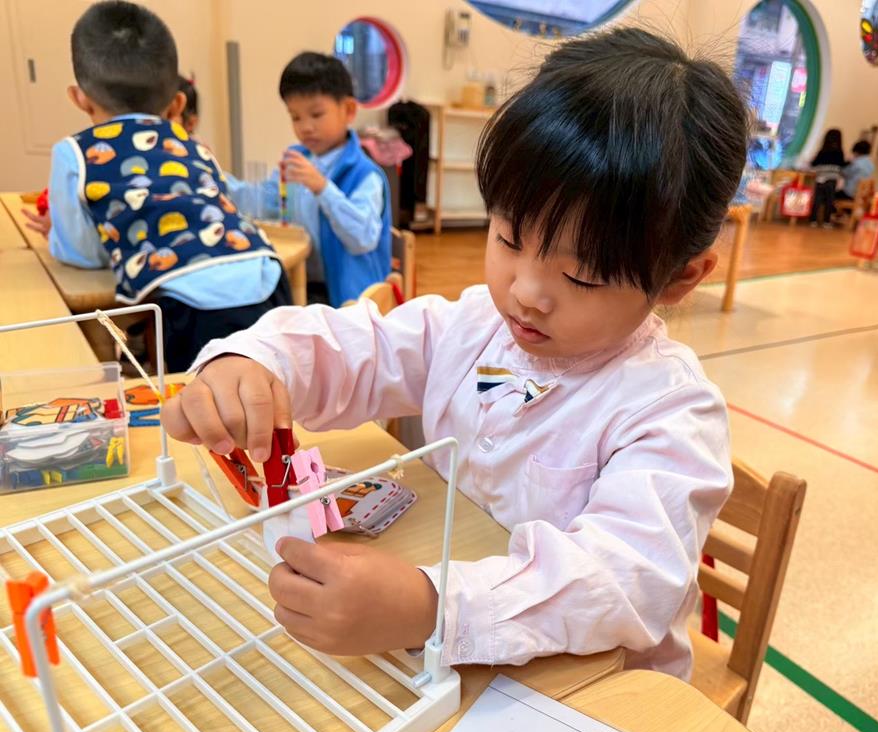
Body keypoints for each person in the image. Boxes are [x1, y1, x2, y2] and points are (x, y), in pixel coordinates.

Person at [164, 27, 748, 679]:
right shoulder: (475, 325)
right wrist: (253, 360)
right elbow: (366, 347)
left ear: (679, 278)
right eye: (509, 238)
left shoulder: (670, 413)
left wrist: (433, 605)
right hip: (459, 642)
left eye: (581, 276)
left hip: (592, 689)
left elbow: (621, 582)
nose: (525, 293)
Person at [25, 1, 289, 373]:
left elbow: (82, 252)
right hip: (266, 274)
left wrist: (57, 233)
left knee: (204, 401)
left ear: (79, 97)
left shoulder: (75, 153)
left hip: (191, 300)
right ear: (176, 102)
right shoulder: (192, 144)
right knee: (276, 385)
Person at [228, 52, 391, 307]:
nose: (305, 126)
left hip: (348, 299)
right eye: (295, 117)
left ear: (348, 110)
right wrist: (214, 177)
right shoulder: (296, 159)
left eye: (316, 114)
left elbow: (362, 239)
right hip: (301, 282)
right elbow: (263, 200)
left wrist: (323, 188)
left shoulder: (365, 175)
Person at [808, 128, 846, 227]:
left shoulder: (822, 151)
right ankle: (826, 221)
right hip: (832, 180)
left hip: (820, 179)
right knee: (829, 201)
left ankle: (813, 220)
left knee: (817, 200)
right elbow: (842, 165)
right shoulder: (839, 153)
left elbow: (814, 164)